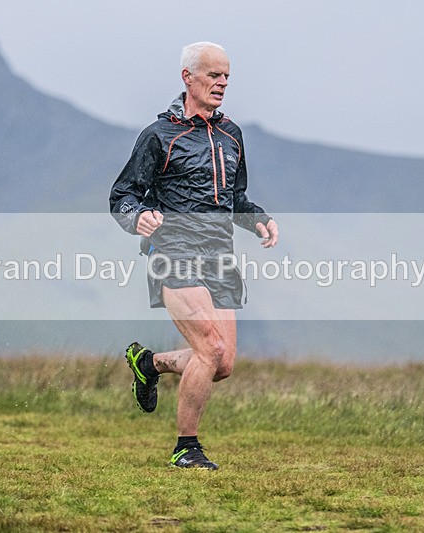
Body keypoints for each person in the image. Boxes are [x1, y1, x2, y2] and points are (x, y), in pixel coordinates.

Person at [109, 41, 278, 470]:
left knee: (222, 363)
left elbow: (236, 198)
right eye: (213, 75)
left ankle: (149, 363)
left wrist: (258, 219)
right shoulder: (158, 135)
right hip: (173, 251)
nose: (222, 83)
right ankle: (186, 448)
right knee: (210, 347)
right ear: (188, 77)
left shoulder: (231, 135)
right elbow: (122, 195)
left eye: (226, 77)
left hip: (219, 256)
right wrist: (138, 216)